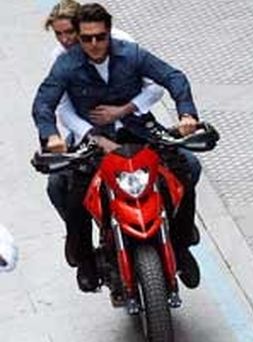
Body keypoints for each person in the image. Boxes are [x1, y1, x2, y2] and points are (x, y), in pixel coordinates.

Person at [32, 3, 202, 291]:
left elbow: (172, 78)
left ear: (109, 33)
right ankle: (85, 258)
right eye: (86, 38)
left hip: (139, 131)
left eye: (99, 37)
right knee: (74, 195)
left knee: (184, 171)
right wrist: (51, 136)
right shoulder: (65, 63)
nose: (93, 44)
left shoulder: (131, 52)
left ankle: (181, 244)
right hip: (94, 141)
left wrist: (187, 114)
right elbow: (45, 103)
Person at [42, 0, 169, 228]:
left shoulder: (125, 45)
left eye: (70, 33)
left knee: (188, 165)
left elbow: (157, 85)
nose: (65, 40)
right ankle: (83, 248)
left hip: (135, 125)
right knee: (57, 185)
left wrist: (124, 109)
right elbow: (61, 107)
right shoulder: (61, 60)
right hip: (88, 132)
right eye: (58, 34)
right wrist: (91, 136)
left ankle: (179, 232)